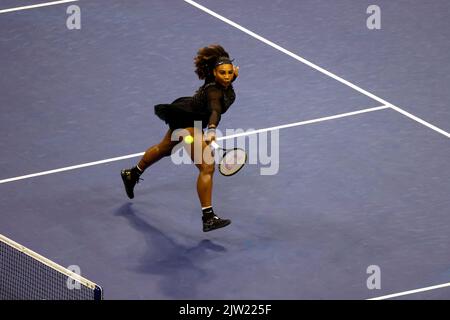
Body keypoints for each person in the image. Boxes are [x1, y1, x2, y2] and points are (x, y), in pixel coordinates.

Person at [120, 44, 239, 232]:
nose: (226, 77)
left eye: (229, 73)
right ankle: (208, 217)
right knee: (207, 166)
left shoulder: (226, 80)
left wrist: (234, 76)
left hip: (187, 112)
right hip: (188, 121)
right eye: (222, 73)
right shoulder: (213, 92)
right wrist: (212, 129)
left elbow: (224, 85)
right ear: (214, 73)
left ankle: (132, 173)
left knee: (165, 148)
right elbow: (215, 109)